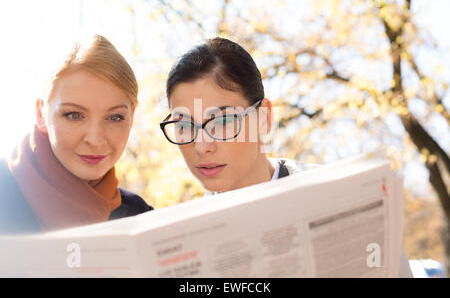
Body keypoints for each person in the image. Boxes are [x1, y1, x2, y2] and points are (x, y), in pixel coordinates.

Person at [160, 37, 413, 277]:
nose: (202, 145)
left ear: (264, 118)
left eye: (223, 121)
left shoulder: (344, 199)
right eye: (184, 126)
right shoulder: (180, 246)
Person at [0, 35, 152, 234]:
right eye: (74, 115)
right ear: (41, 114)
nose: (96, 140)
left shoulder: (140, 217)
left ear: (131, 118)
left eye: (114, 117)